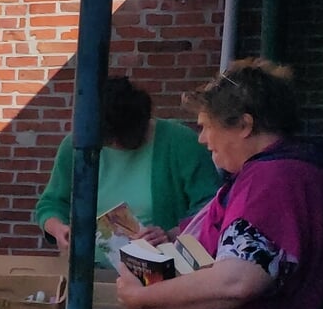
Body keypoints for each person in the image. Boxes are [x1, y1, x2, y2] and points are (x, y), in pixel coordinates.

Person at [116, 60, 323, 309]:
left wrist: (142, 298)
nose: (202, 139)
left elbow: (237, 281)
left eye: (207, 126)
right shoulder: (283, 173)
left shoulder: (273, 180)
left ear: (244, 125)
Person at [34, 75, 217, 260]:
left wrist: (171, 235)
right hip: (87, 270)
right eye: (108, 140)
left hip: (161, 271)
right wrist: (59, 228)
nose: (115, 144)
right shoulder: (76, 146)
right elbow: (52, 203)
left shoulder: (179, 142)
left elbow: (211, 207)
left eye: (119, 137)